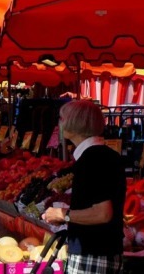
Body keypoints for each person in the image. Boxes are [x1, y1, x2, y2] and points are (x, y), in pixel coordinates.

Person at [42, 100, 126, 273]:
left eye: (62, 118)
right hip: (100, 252)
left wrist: (62, 214)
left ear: (75, 123)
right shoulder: (103, 155)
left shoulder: (92, 159)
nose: (60, 123)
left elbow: (103, 213)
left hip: (93, 254)